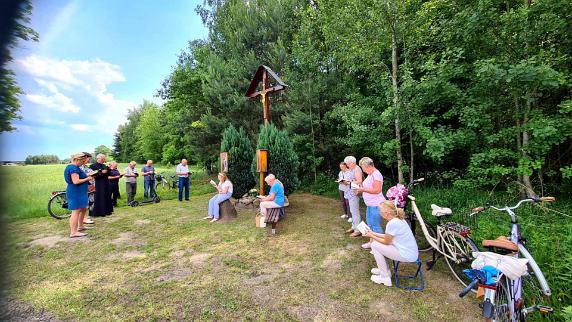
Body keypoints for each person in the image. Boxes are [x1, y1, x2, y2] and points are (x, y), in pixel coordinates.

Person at [363, 200, 419, 286]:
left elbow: (386, 242)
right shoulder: (398, 219)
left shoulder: (392, 223)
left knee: (374, 245)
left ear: (387, 213)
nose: (379, 213)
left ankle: (385, 277)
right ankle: (384, 271)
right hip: (409, 251)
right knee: (375, 244)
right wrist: (372, 233)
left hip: (407, 254)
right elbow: (387, 236)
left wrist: (371, 236)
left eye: (380, 211)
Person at [355, 157, 385, 250]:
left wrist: (363, 189)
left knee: (376, 226)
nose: (363, 171)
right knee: (370, 225)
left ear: (368, 166)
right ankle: (372, 242)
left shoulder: (376, 174)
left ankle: (380, 247)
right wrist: (359, 187)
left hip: (376, 205)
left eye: (363, 169)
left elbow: (377, 190)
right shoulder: (370, 174)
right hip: (370, 205)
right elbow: (367, 186)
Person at [64, 152, 93, 238]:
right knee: (76, 211)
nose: (83, 163)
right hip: (75, 192)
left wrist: (89, 175)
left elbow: (81, 176)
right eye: (82, 161)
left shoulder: (75, 167)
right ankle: (73, 232)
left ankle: (80, 226)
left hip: (80, 192)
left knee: (83, 208)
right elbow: (76, 181)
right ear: (77, 159)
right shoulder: (73, 168)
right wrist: (87, 179)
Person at [344, 156, 364, 237]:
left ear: (352, 162)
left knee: (355, 212)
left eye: (348, 164)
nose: (347, 166)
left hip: (355, 192)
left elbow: (359, 181)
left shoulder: (357, 169)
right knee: (352, 211)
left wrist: (348, 182)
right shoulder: (353, 169)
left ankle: (358, 230)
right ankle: (354, 226)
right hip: (351, 192)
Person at [79, 152, 95, 225]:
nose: (89, 160)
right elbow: (82, 176)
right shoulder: (80, 167)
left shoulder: (85, 166)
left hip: (89, 186)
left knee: (87, 203)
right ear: (85, 158)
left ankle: (84, 218)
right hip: (85, 187)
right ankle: (84, 219)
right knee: (84, 204)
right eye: (89, 158)